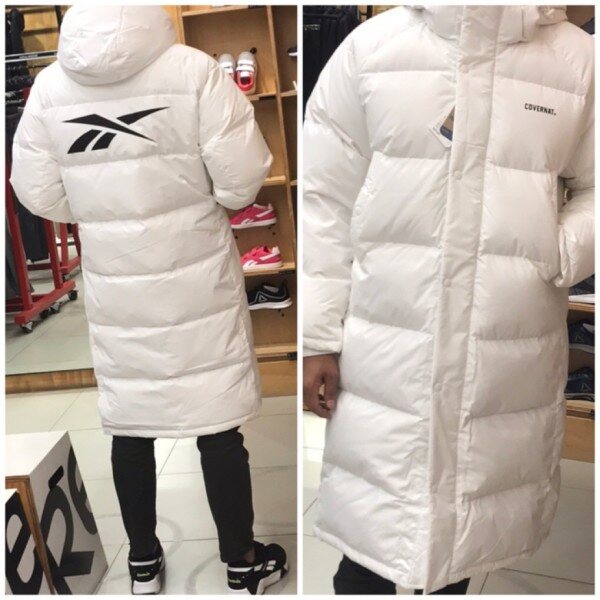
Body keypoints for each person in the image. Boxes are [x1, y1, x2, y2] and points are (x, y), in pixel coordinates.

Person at [303, 5, 593, 595]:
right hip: (387, 337)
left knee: (460, 536)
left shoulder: (576, 60)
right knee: (372, 536)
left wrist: (562, 247)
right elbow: (324, 199)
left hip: (504, 334)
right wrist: (315, 336)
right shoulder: (371, 50)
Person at [11, 6, 287, 595]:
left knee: (131, 423)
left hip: (117, 279)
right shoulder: (192, 71)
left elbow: (36, 191)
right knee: (217, 421)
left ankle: (142, 562)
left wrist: (102, 214)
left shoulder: (51, 89)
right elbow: (242, 179)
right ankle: (241, 562)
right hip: (196, 272)